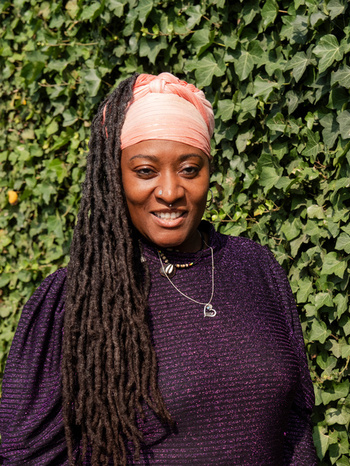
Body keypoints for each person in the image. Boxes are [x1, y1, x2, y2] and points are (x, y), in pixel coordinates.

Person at [0, 73, 317, 465]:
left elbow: (297, 427)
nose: (169, 192)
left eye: (189, 169)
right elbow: (22, 455)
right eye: (145, 171)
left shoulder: (256, 269)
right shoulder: (77, 299)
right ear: (115, 177)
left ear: (209, 172)